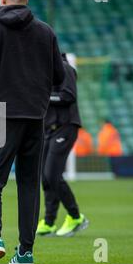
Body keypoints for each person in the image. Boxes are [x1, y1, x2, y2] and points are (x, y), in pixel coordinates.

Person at [0, 0, 65, 264]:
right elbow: (60, 77)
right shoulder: (45, 32)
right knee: (28, 183)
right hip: (36, 116)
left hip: (1, 114)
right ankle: (25, 252)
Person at [36, 53, 89, 237]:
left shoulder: (64, 68)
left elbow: (68, 95)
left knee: (52, 175)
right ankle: (49, 222)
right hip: (49, 129)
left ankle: (75, 217)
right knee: (45, 176)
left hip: (65, 127)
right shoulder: (44, 71)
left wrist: (43, 96)